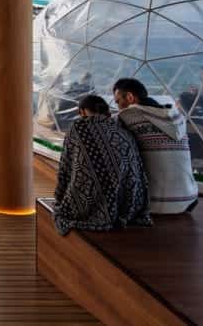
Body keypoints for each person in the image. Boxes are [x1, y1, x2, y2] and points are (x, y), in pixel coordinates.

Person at [53, 95, 151, 235]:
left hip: (89, 202)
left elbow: (66, 167)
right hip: (128, 205)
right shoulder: (122, 130)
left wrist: (59, 197)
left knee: (63, 208)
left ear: (82, 111)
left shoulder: (79, 127)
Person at [114, 77, 198, 214]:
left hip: (153, 203)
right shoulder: (177, 116)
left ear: (129, 97)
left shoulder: (127, 115)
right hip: (188, 199)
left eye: (118, 101)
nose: (118, 106)